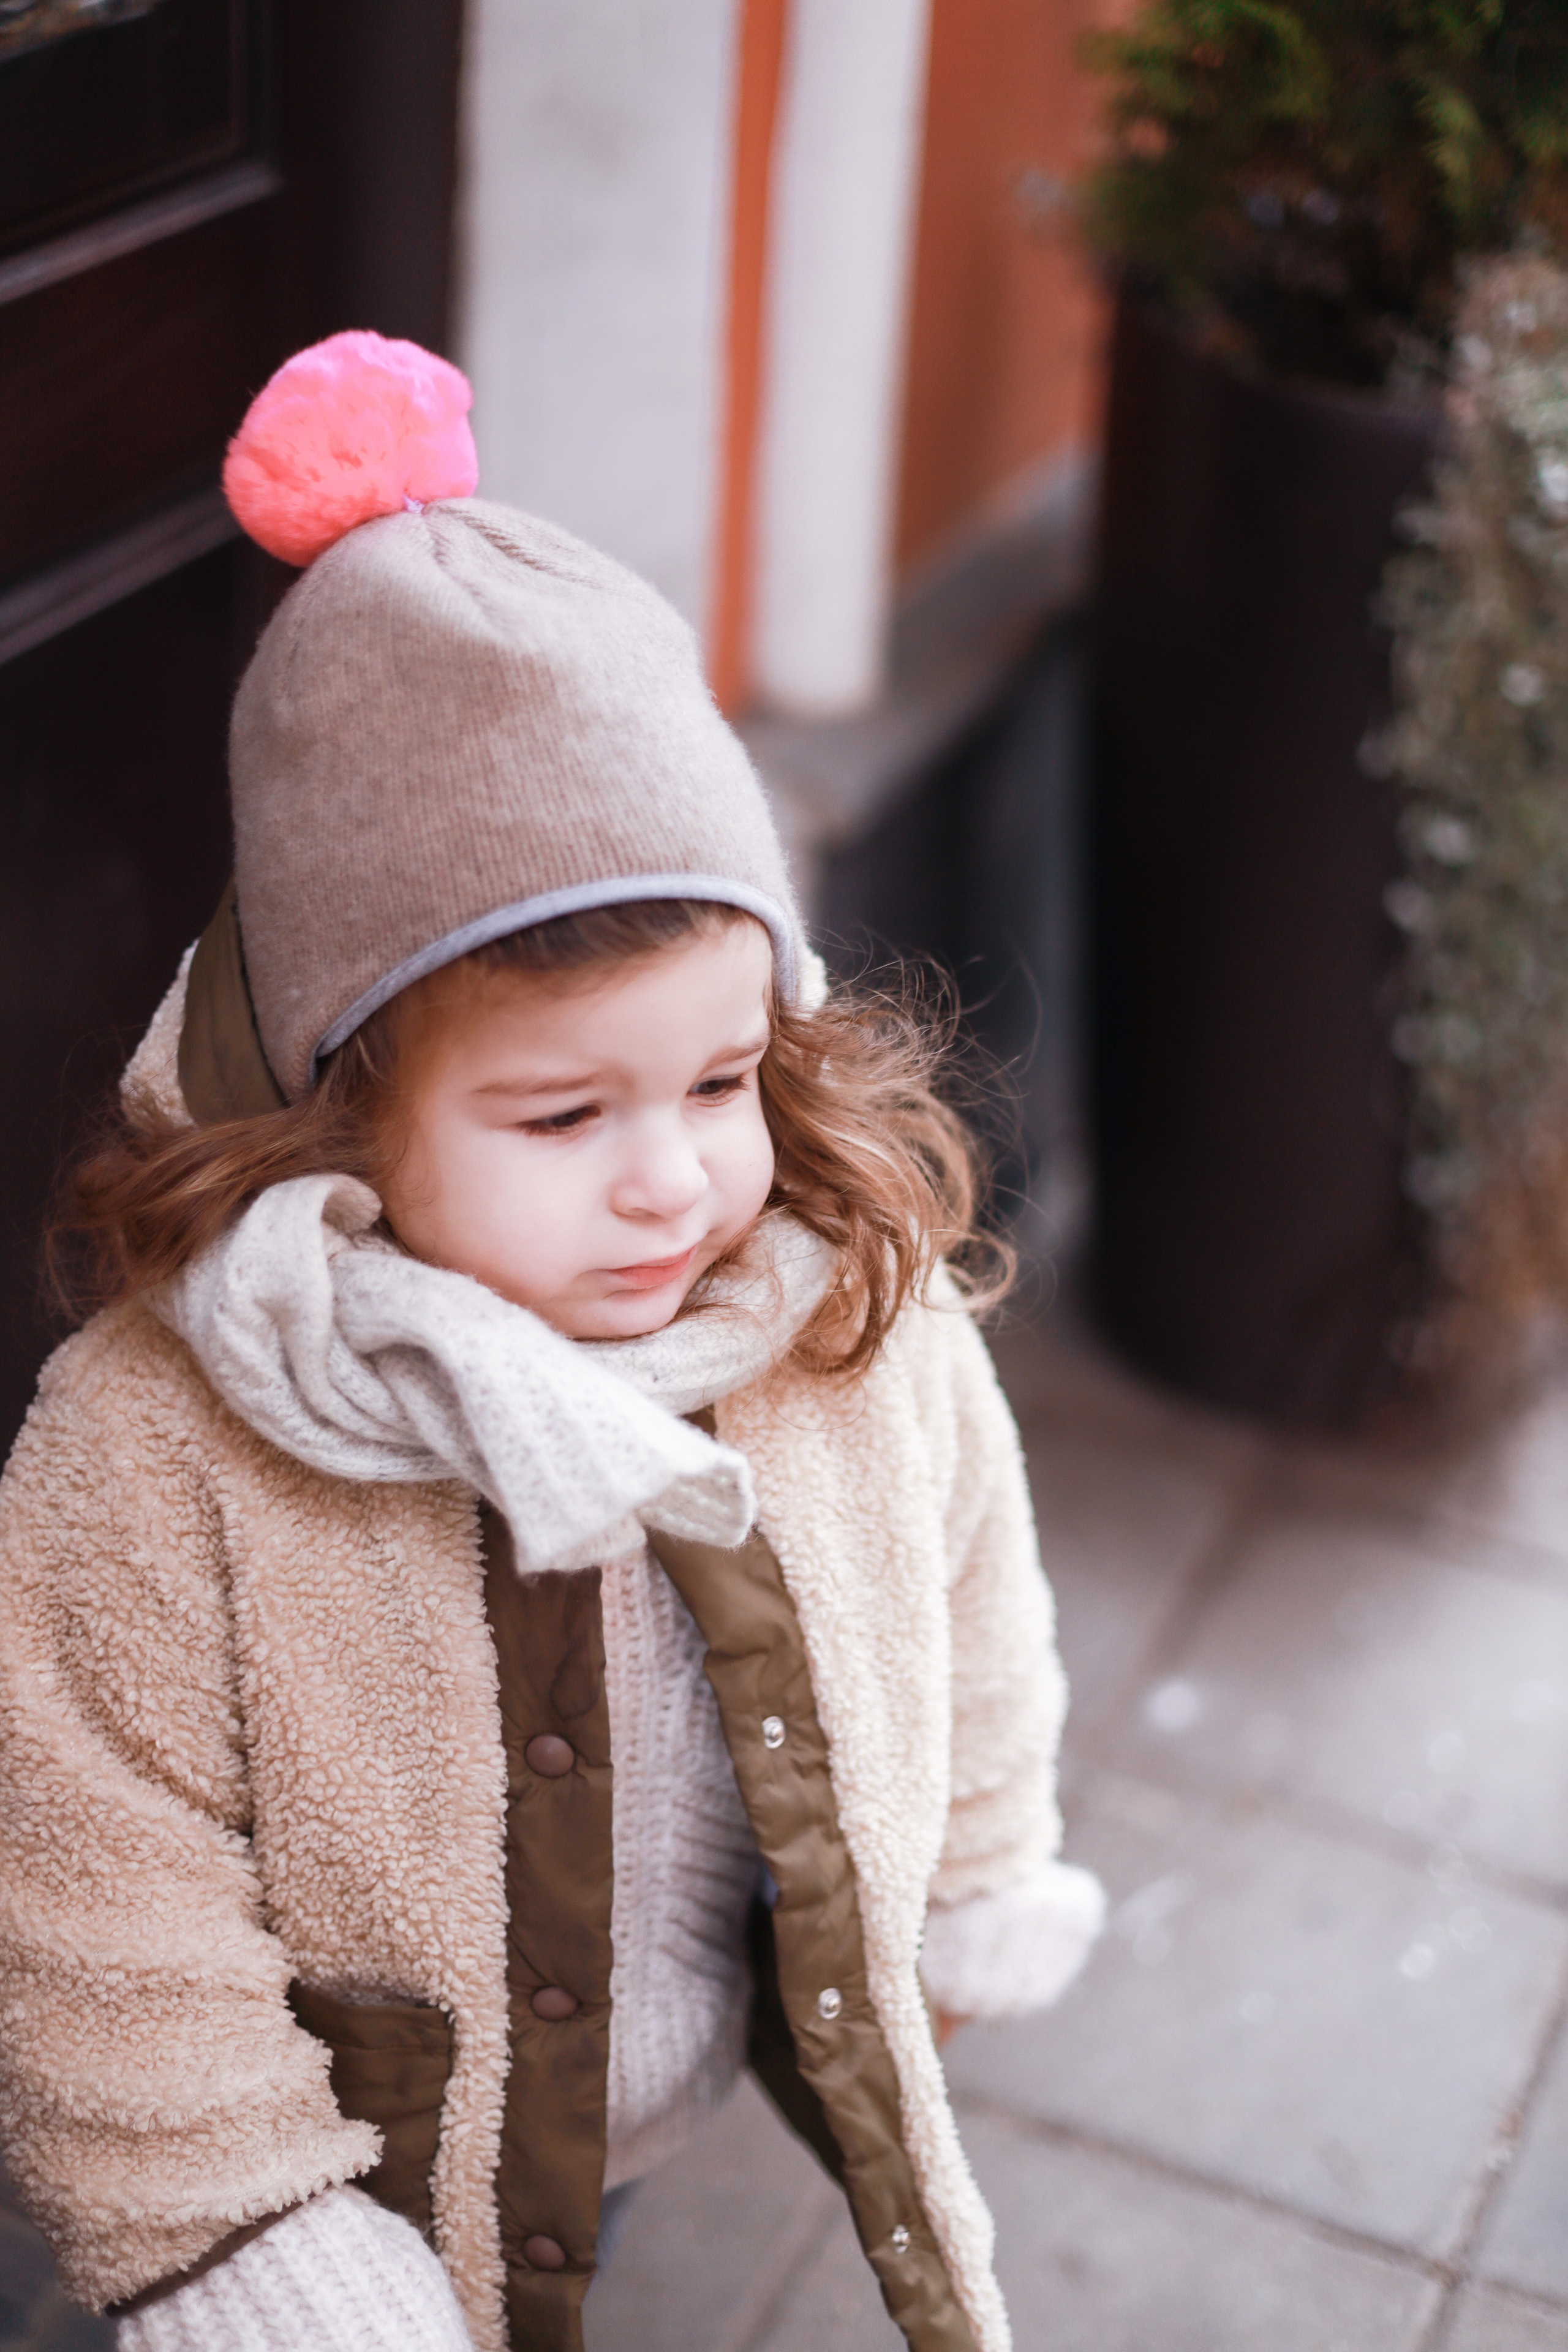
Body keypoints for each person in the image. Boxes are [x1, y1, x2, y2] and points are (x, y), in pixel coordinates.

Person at [0, 333, 1103, 2352]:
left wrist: (972, 1865)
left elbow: (972, 1584)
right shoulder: (153, 1454)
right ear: (336, 1112)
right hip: (361, 2175)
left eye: (717, 1077)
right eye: (562, 1116)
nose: (678, 1184)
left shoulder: (837, 1302)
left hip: (664, 2065)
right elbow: (86, 1876)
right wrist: (249, 2242)